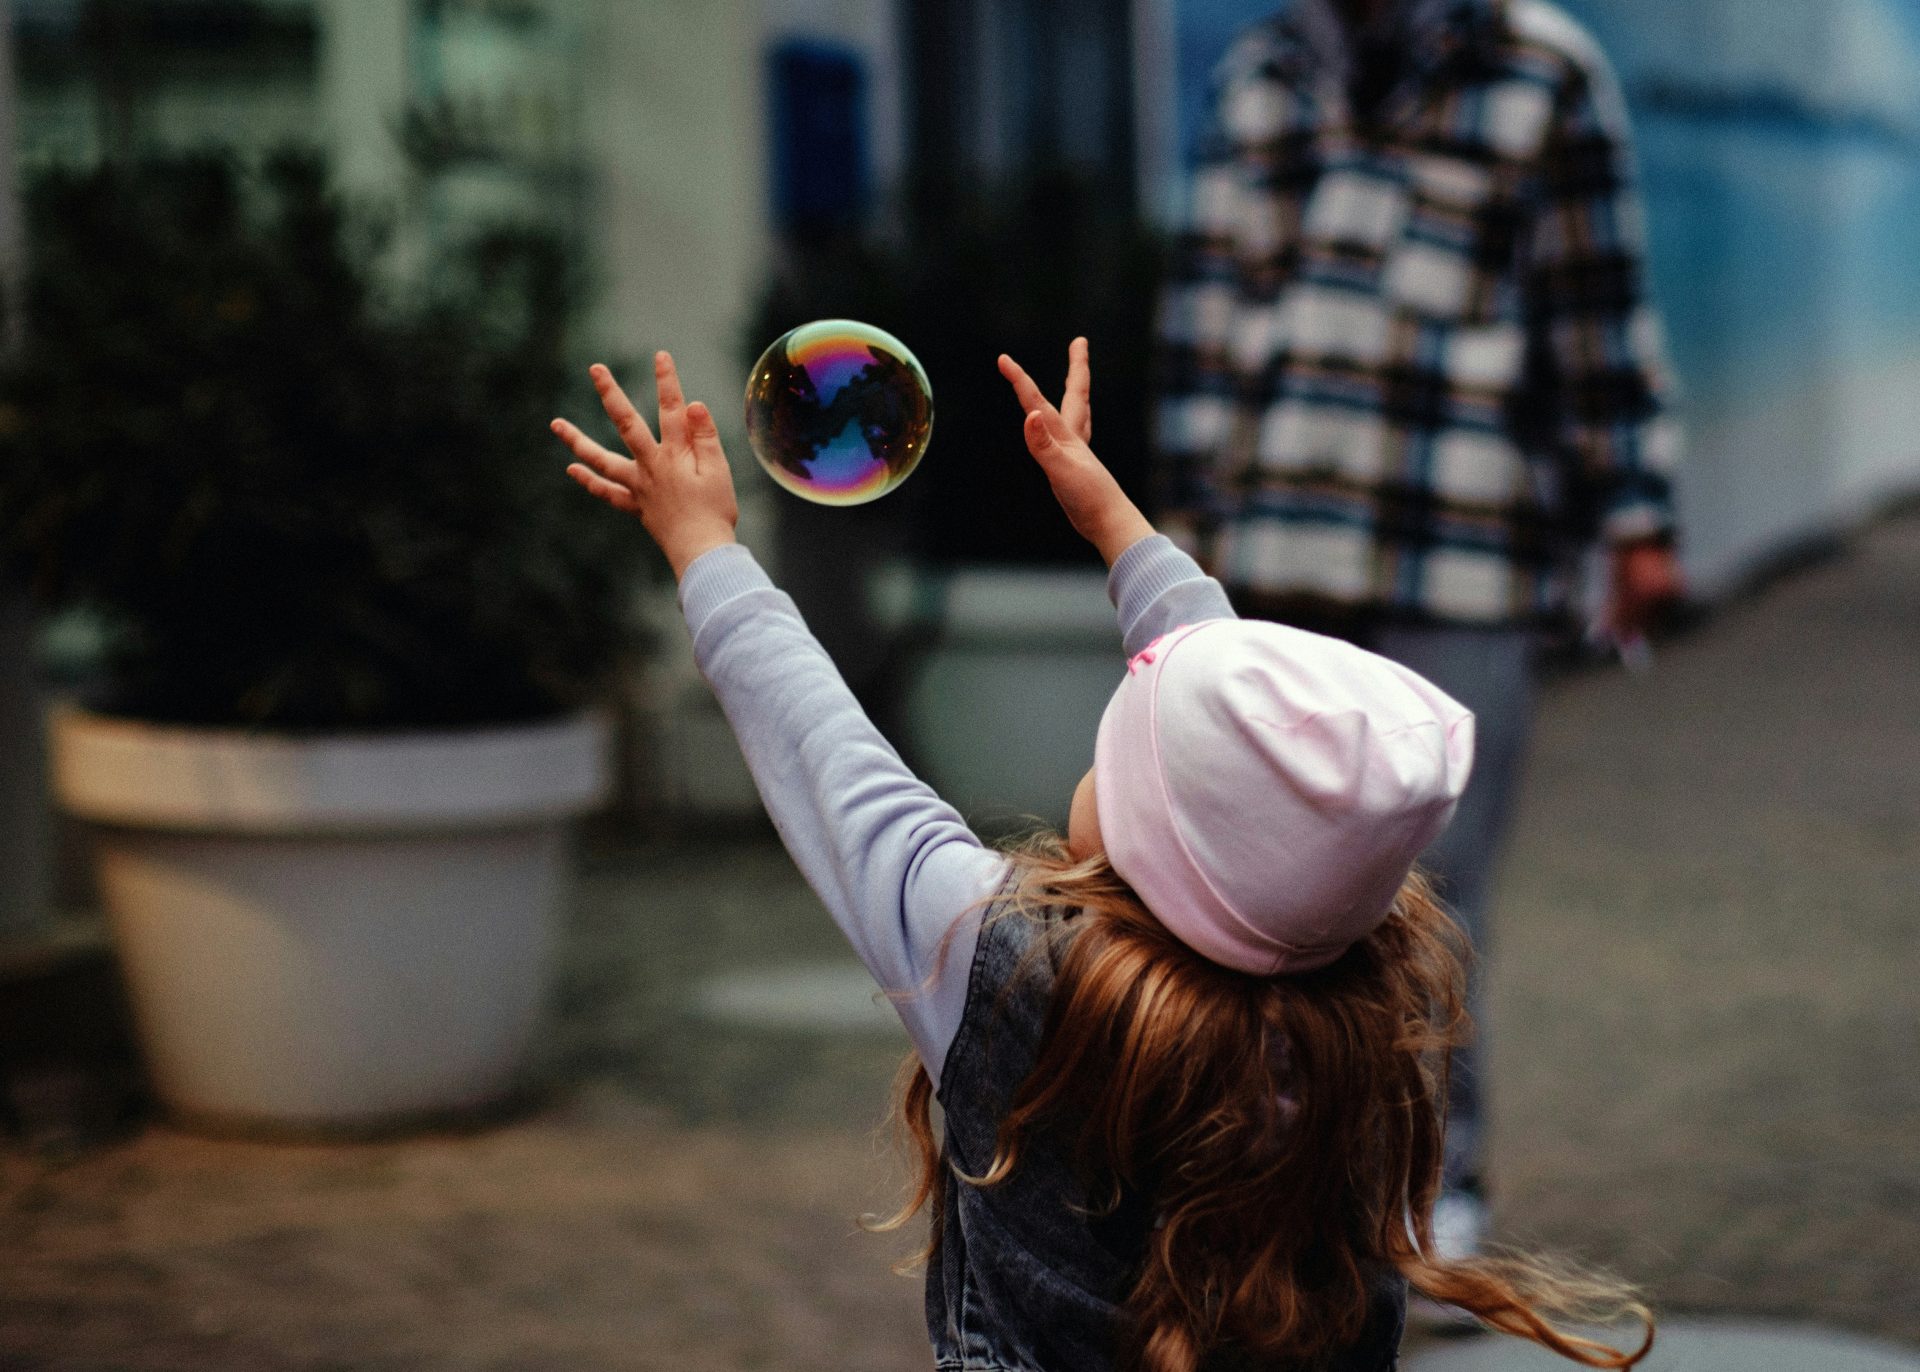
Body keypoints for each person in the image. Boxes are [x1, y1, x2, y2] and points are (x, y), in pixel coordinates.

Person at [552, 343, 1653, 1371]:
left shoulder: (1021, 975)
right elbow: (1270, 770)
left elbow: (838, 774)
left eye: (1120, 744)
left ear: (1159, 844)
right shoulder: (1355, 1007)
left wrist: (704, 550)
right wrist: (1117, 522)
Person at [1153, 0, 1686, 1264]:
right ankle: (1280, 1196)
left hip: (1464, 551)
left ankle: (1431, 1193)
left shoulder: (1543, 72)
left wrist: (1637, 517)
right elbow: (1202, 327)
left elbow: (1597, 310)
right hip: (1274, 555)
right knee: (1258, 901)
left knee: (1432, 902)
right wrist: (1170, 546)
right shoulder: (1259, 74)